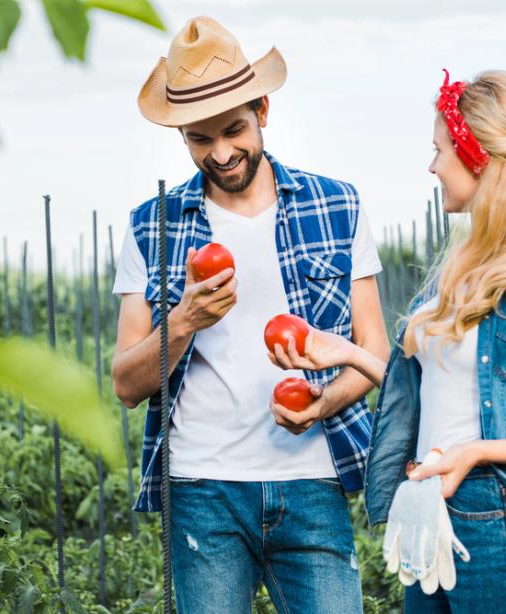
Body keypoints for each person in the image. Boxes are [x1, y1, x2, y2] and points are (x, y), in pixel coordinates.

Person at [269, 68, 506, 612]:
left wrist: (475, 452)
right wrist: (346, 353)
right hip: (430, 510)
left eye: (439, 150)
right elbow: (437, 394)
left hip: (505, 518)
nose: (431, 165)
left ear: (476, 154)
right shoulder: (455, 274)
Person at [111, 15, 390, 613]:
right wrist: (183, 320)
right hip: (202, 487)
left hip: (313, 480)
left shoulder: (337, 205)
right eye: (198, 138)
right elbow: (126, 385)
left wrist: (322, 404)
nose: (220, 153)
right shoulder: (149, 226)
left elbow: (375, 351)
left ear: (263, 109)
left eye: (233, 129)